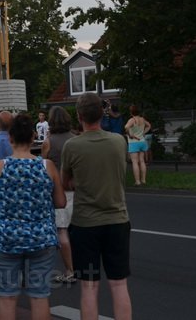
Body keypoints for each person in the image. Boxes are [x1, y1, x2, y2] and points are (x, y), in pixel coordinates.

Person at [0, 112, 66, 320]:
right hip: (41, 239)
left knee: (7, 297)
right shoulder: (47, 167)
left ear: (10, 138)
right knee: (39, 296)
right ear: (31, 138)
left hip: (5, 240)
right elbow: (61, 202)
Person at [61, 92, 132, 320]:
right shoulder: (119, 141)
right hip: (117, 220)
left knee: (89, 288)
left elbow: (65, 183)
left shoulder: (72, 146)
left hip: (85, 223)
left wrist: (80, 181)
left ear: (79, 116)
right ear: (102, 114)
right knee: (119, 285)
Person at [41, 106, 77, 284]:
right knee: (77, 230)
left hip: (58, 191)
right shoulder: (76, 139)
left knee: (61, 231)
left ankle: (70, 270)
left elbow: (44, 166)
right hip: (78, 190)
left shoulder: (49, 142)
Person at [123, 105, 151, 186]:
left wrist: (130, 134)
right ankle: (143, 180)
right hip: (142, 141)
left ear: (131, 112)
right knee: (142, 161)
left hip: (134, 142)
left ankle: (137, 181)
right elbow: (149, 125)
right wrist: (143, 132)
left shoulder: (132, 120)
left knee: (135, 162)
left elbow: (126, 127)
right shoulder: (142, 119)